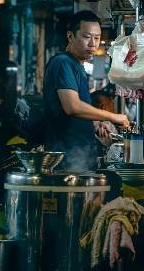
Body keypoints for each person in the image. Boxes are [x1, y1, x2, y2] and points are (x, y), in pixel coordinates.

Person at [43, 10, 130, 171]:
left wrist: (95, 122)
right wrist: (113, 117)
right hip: (66, 159)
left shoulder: (77, 66)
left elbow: (76, 110)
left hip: (80, 157)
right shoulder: (63, 63)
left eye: (97, 38)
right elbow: (73, 107)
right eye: (86, 37)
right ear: (70, 36)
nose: (93, 44)